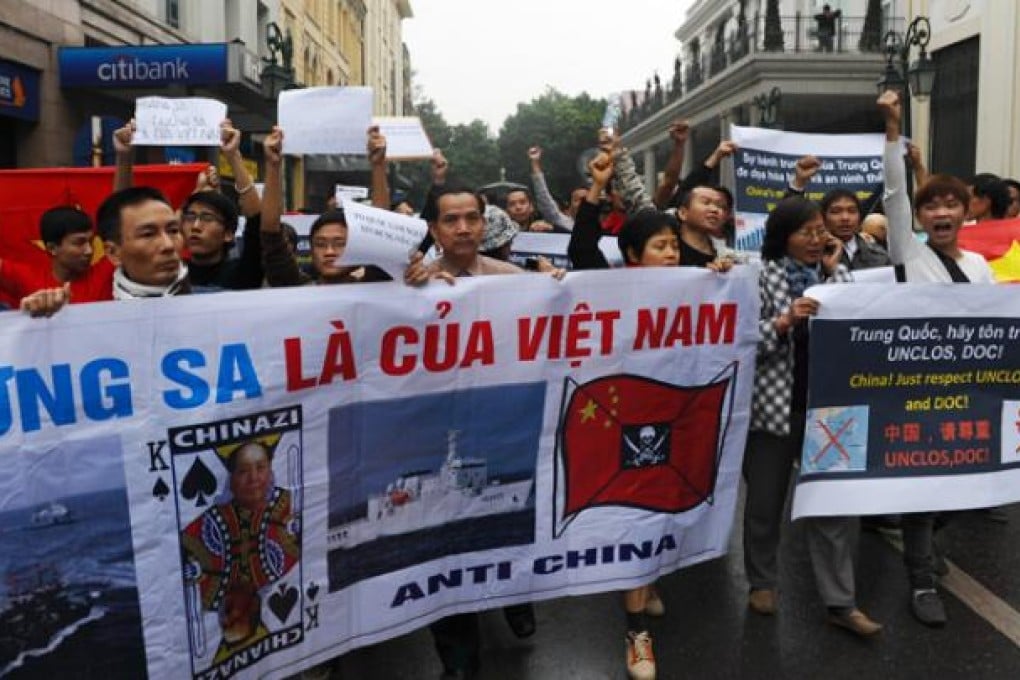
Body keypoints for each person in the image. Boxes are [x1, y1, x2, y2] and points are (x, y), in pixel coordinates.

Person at [879, 89, 995, 627]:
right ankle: (921, 578)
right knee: (925, 489)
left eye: (951, 204)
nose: (941, 211)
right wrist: (893, 131)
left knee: (966, 486)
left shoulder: (980, 266)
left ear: (964, 212)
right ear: (921, 217)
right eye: (932, 205)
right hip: (918, 390)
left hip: (971, 388)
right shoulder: (909, 252)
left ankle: (920, 542)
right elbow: (895, 193)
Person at [742, 194, 882, 637]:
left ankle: (841, 602)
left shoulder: (838, 276)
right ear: (783, 236)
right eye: (807, 232)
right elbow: (739, 340)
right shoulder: (756, 277)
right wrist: (781, 324)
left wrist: (831, 272)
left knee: (835, 508)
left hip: (832, 412)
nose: (816, 238)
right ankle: (762, 582)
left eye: (820, 231)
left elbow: (864, 325)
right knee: (765, 503)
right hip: (773, 410)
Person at [181, 440, 299, 659]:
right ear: (253, 607)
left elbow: (175, 556)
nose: (224, 617)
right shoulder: (282, 562)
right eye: (235, 619)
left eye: (260, 468)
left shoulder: (207, 594)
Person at [0, 205, 114, 306]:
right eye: (79, 243)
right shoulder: (25, 278)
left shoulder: (104, 274)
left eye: (91, 242)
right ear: (52, 248)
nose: (89, 251)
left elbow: (118, 216)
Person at [790, 157, 890, 269]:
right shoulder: (811, 254)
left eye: (852, 211)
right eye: (836, 212)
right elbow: (790, 220)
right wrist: (798, 182)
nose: (845, 218)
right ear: (823, 218)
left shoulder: (880, 258)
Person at [528, 145, 584, 231]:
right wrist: (535, 163)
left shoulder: (603, 226)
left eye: (587, 199)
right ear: (569, 208)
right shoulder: (564, 224)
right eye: (577, 200)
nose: (583, 203)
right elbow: (544, 198)